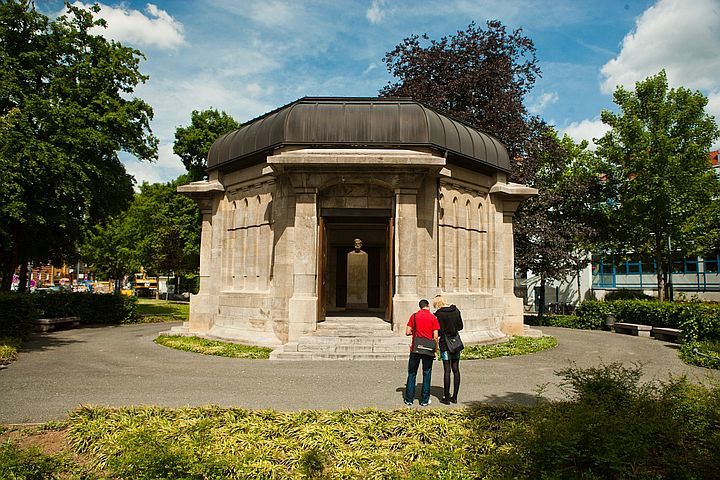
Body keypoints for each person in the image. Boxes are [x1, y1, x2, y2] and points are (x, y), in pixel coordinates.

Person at [404, 299, 439, 406]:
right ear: (428, 305)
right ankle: (424, 400)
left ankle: (409, 399)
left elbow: (407, 332)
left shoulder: (414, 316)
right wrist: (435, 351)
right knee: (427, 373)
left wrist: (416, 332)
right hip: (428, 349)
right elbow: (436, 337)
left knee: (412, 373)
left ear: (420, 306)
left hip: (416, 348)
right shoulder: (433, 318)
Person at [433, 295, 463, 404]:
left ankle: (446, 397)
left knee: (447, 370)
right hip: (456, 343)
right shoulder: (456, 310)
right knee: (456, 369)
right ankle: (454, 396)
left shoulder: (439, 314)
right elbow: (460, 326)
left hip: (445, 344)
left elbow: (439, 331)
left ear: (437, 303)